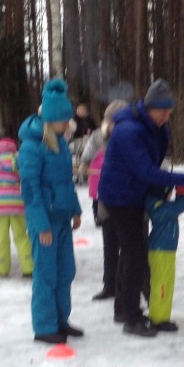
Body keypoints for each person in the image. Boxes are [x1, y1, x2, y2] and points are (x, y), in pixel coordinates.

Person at [97, 78, 184, 337]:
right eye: (162, 110)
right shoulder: (129, 130)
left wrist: (162, 187)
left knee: (133, 252)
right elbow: (144, 169)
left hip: (135, 193)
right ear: (149, 108)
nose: (167, 115)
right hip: (119, 198)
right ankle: (131, 316)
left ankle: (123, 308)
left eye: (169, 111)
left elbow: (157, 161)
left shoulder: (156, 126)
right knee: (135, 254)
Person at [19, 78, 84, 344]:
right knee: (46, 275)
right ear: (50, 119)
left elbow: (66, 182)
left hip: (62, 218)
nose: (68, 125)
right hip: (43, 221)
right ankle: (45, 326)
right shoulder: (32, 147)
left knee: (65, 271)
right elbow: (30, 189)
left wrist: (76, 210)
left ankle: (60, 319)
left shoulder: (61, 146)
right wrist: (41, 225)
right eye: (63, 120)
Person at [80, 99, 130, 298]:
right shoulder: (99, 136)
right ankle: (109, 285)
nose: (111, 125)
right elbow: (88, 154)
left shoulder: (132, 135)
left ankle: (128, 288)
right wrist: (85, 163)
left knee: (130, 247)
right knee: (109, 244)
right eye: (109, 121)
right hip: (107, 198)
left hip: (129, 200)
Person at [0, 138, 34, 278]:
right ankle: (28, 267)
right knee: (21, 236)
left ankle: (2, 268)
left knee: (0, 236)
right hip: (17, 204)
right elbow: (24, 179)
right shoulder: (18, 160)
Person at [145, 185, 184, 332]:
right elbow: (181, 205)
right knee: (162, 285)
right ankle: (159, 319)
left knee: (165, 283)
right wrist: (183, 192)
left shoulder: (157, 204)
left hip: (165, 250)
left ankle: (159, 314)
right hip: (162, 251)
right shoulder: (159, 207)